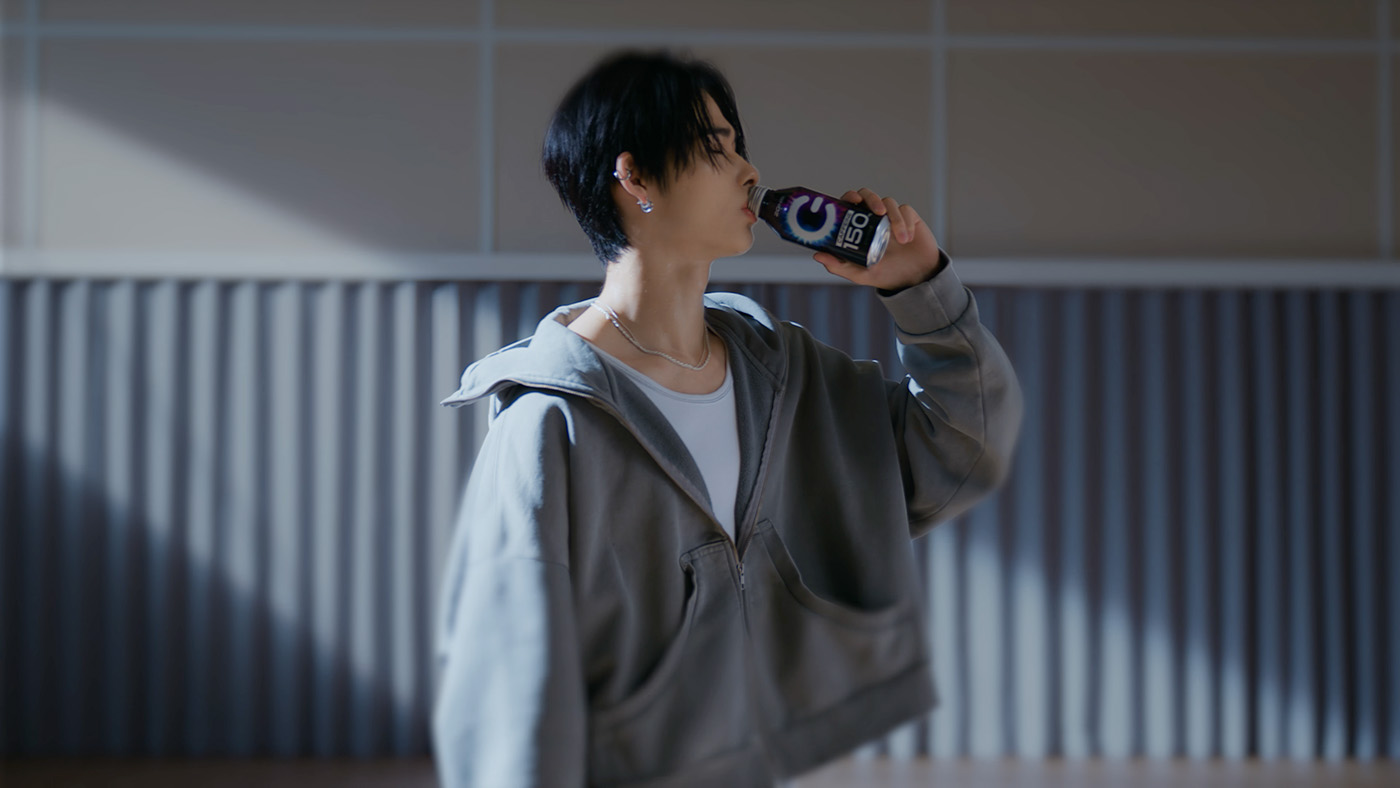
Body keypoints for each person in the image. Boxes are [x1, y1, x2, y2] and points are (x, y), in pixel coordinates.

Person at [431, 49, 1024, 788]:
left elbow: (964, 447)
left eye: (740, 147)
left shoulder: (779, 373)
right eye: (716, 149)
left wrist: (920, 289)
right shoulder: (550, 422)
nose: (749, 171)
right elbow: (510, 691)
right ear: (635, 177)